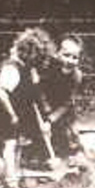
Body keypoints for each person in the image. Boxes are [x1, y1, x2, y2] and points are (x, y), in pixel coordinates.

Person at [0, 27, 56, 188]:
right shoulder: (12, 68)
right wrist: (13, 115)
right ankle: (11, 182)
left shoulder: (28, 68)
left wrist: (44, 118)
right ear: (28, 52)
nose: (38, 59)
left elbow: (34, 94)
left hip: (12, 108)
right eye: (36, 55)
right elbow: (2, 93)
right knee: (11, 143)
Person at [39, 33, 85, 164]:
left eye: (75, 57)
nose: (70, 61)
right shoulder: (45, 69)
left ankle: (73, 153)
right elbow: (38, 93)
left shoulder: (76, 76)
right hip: (41, 106)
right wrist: (45, 114)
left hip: (61, 111)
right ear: (56, 53)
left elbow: (67, 102)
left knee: (70, 137)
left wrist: (50, 119)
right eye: (66, 55)